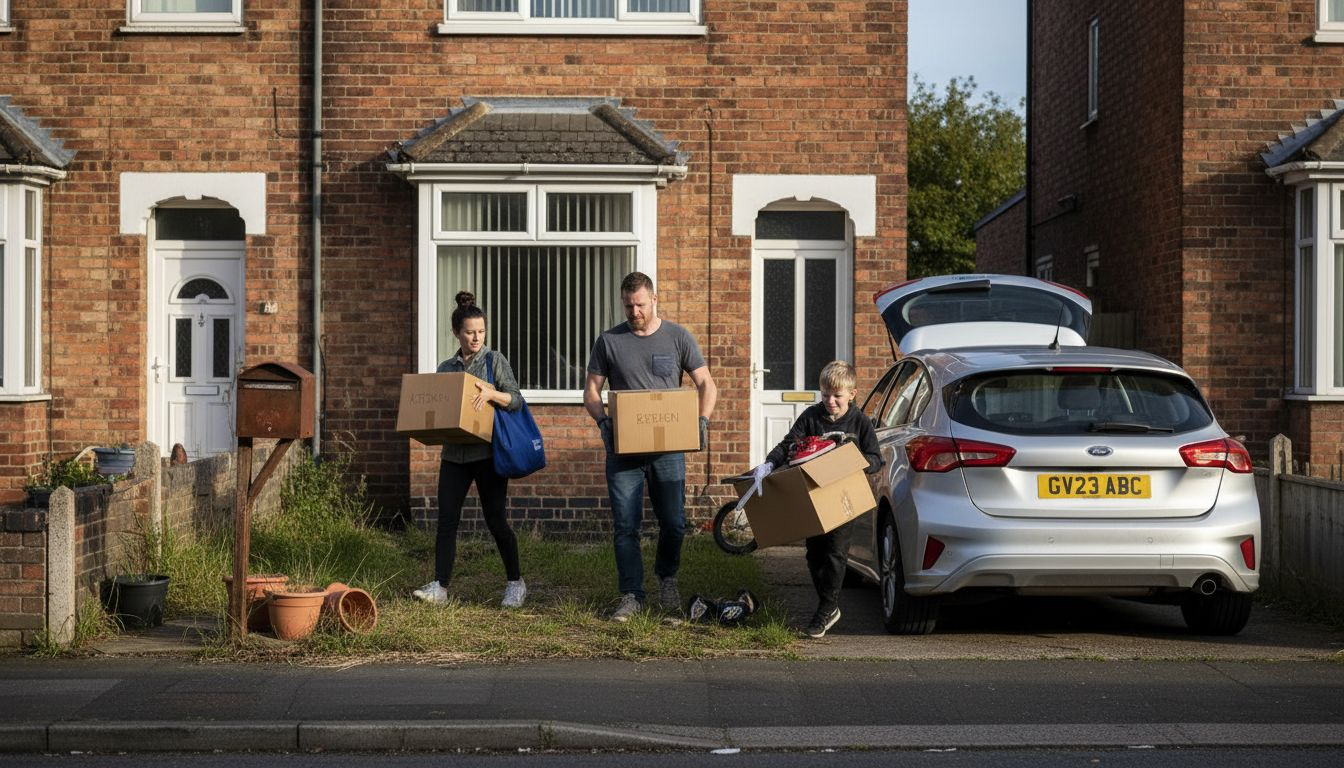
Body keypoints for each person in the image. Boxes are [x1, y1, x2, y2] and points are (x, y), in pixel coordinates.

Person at [584, 271, 717, 621]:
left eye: (640, 305)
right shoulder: (609, 341)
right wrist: (603, 423)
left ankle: (667, 578)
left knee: (673, 522)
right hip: (623, 450)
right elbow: (592, 391)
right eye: (628, 306)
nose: (634, 312)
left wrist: (700, 421)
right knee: (626, 525)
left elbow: (706, 384)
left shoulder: (677, 337)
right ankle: (631, 595)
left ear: (654, 300)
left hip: (668, 449)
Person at [741, 360, 882, 638]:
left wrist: (854, 461)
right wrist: (769, 464)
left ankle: (826, 609)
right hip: (813, 497)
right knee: (814, 555)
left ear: (852, 394)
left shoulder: (860, 422)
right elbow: (787, 444)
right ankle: (828, 604)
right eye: (825, 394)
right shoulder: (811, 417)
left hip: (843, 498)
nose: (830, 401)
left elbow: (876, 459)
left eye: (837, 396)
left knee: (835, 553)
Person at [413, 291, 527, 609]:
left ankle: (515, 583)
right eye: (469, 332)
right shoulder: (446, 367)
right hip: (454, 455)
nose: (476, 337)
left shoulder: (494, 361)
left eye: (481, 331)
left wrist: (493, 393)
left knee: (496, 520)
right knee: (447, 520)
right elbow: (437, 406)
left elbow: (516, 399)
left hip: (487, 455)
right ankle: (441, 587)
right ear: (456, 333)